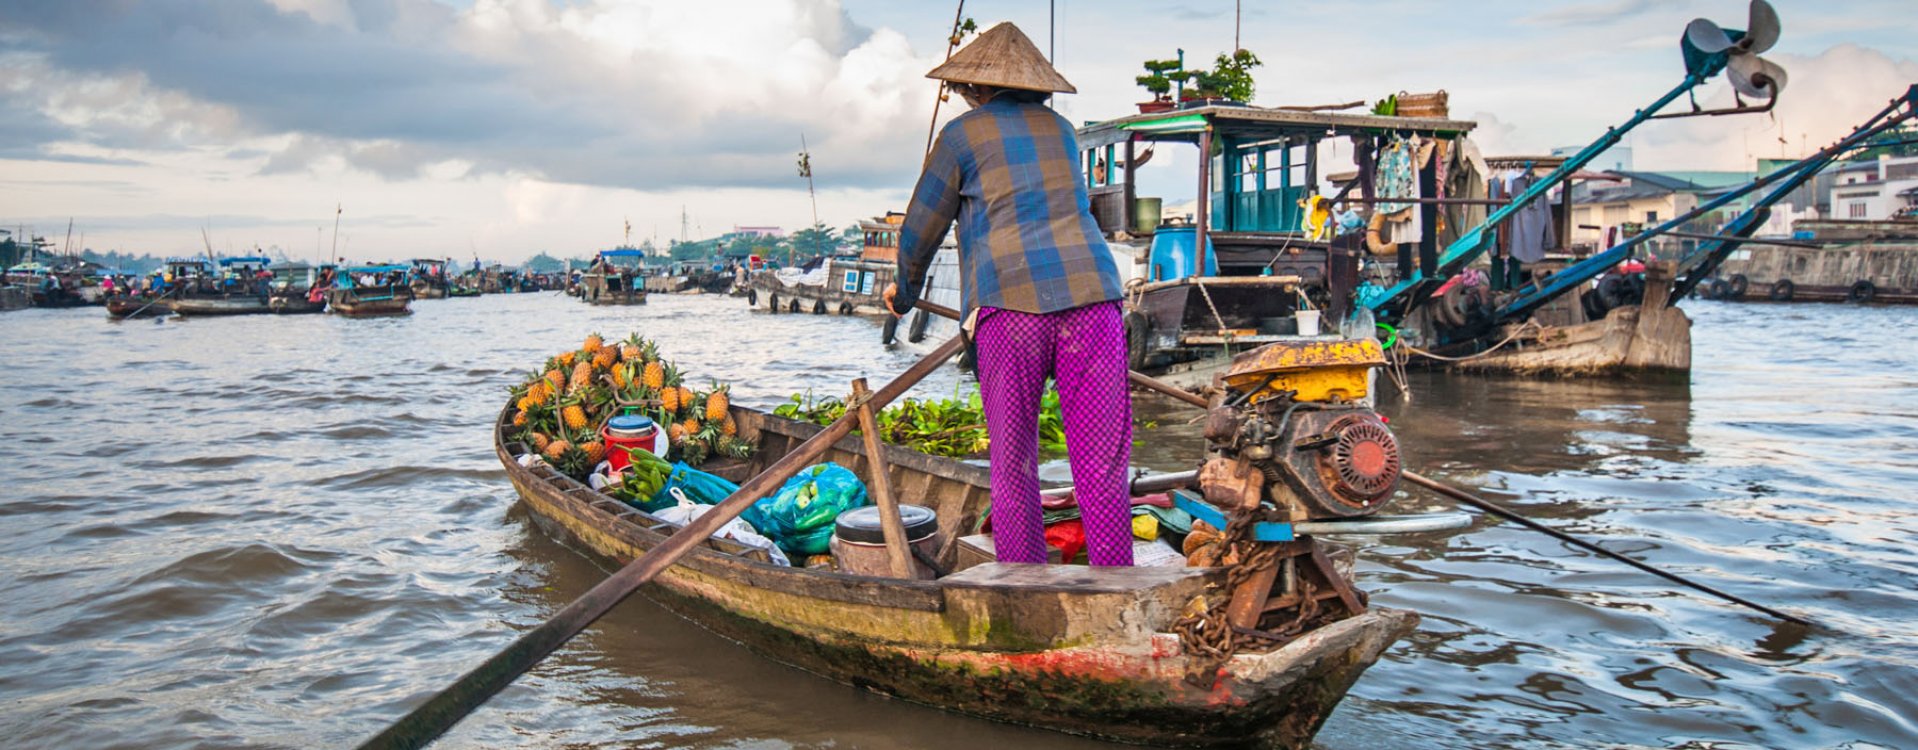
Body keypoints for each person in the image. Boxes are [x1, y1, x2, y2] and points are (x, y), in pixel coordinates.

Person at [883, 22, 1132, 567]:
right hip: (1094, 301)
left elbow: (921, 228)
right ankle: (1116, 576)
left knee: (1013, 459)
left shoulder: (960, 135)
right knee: (1101, 459)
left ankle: (1023, 577)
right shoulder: (1062, 130)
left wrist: (903, 295)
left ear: (976, 89)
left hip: (1011, 310)